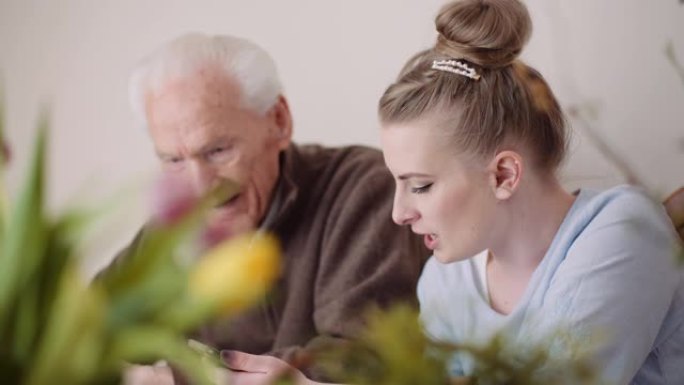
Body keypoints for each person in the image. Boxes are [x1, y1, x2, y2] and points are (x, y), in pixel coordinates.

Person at [227, 1, 684, 384]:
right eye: (398, 184)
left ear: (504, 174)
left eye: (420, 185)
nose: (399, 213)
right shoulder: (446, 283)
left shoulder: (626, 235)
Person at [111, 33, 427, 385]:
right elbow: (82, 336)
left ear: (278, 121)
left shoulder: (362, 187)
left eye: (217, 150)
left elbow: (361, 357)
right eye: (173, 160)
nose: (199, 187)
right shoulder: (169, 231)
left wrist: (176, 378)